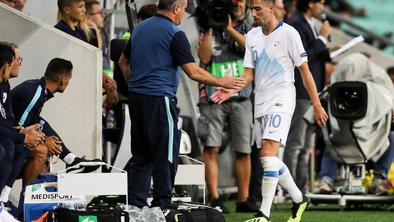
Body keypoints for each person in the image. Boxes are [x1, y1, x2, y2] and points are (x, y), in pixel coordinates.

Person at [210, 0, 328, 221]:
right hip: (261, 101)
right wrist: (230, 90)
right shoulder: (253, 36)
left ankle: (264, 213)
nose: (253, 13)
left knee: (266, 154)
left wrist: (317, 103)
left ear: (271, 8)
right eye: (252, 9)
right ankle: (298, 198)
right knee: (269, 158)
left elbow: (305, 71)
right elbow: (248, 74)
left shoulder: (290, 34)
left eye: (257, 9)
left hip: (283, 97)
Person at [126, 0, 246, 210]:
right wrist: (222, 81)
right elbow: (193, 71)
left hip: (136, 98)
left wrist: (136, 84)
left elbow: (122, 62)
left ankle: (135, 207)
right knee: (166, 155)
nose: (183, 14)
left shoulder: (139, 29)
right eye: (183, 9)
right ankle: (162, 206)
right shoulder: (174, 32)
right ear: (176, 8)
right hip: (160, 99)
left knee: (141, 156)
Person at [197, 0, 257, 213]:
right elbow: (203, 57)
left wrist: (230, 29)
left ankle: (244, 198)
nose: (237, 5)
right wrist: (211, 25)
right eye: (233, 3)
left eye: (241, 2)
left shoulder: (250, 26)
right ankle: (214, 197)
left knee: (243, 149)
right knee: (211, 147)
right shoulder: (208, 27)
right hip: (213, 98)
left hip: (241, 98)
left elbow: (250, 50)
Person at [10, 58, 103, 185]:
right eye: (69, 79)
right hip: (7, 141)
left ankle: (71, 160)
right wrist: (44, 141)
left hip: (10, 137)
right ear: (63, 80)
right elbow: (18, 129)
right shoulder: (35, 93)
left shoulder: (39, 89)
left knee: (42, 123)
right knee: (42, 150)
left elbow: (34, 123)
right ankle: (26, 200)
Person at [283, 0, 332, 192]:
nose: (323, 6)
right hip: (302, 92)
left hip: (312, 92)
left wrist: (326, 45)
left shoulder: (309, 23)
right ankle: (291, 188)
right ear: (310, 3)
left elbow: (314, 54)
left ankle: (301, 187)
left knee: (305, 146)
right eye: (320, 2)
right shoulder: (296, 23)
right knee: (296, 143)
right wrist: (321, 39)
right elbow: (301, 58)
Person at [0, 43, 45, 210]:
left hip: (6, 134)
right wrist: (22, 136)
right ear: (6, 65)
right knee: (7, 147)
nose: (18, 64)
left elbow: (7, 121)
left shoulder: (5, 86)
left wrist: (23, 131)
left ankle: (4, 198)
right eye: (16, 60)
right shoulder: (31, 89)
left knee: (20, 145)